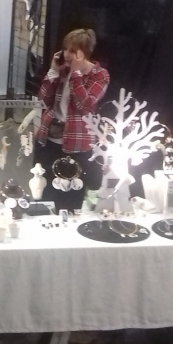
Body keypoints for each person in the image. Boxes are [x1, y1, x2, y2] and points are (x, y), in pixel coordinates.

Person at [33, 29, 110, 211]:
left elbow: (85, 104)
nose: (66, 55)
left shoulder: (100, 75)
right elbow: (43, 100)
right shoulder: (63, 70)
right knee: (48, 186)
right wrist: (53, 71)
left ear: (84, 52)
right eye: (65, 49)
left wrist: (75, 75)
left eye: (72, 51)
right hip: (50, 136)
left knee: (72, 190)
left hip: (77, 141)